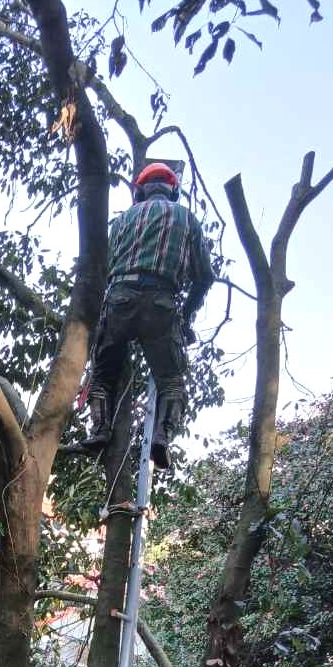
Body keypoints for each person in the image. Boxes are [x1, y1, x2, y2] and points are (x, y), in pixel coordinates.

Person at [76, 161, 214, 469]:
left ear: (139, 191)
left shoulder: (122, 220)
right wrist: (187, 317)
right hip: (162, 304)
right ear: (173, 191)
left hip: (119, 299)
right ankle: (161, 437)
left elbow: (101, 266)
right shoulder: (187, 218)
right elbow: (205, 276)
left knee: (102, 377)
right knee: (171, 381)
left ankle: (99, 430)